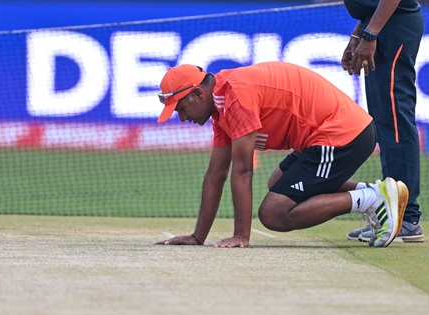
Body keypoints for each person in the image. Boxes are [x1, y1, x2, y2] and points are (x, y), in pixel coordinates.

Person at [154, 62, 408, 248]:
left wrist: (241, 235)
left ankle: (373, 199)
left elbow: (243, 170)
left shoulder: (235, 97)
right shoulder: (220, 107)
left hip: (342, 134)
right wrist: (198, 236)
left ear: (198, 94)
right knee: (278, 182)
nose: (183, 117)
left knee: (273, 213)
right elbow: (215, 174)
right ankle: (378, 193)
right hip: (325, 136)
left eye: (181, 108)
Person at [341, 0, 424, 243]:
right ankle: (393, 214)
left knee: (395, 122)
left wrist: (370, 33)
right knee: (385, 124)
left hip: (392, 28)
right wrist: (359, 33)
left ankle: (407, 218)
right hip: (379, 27)